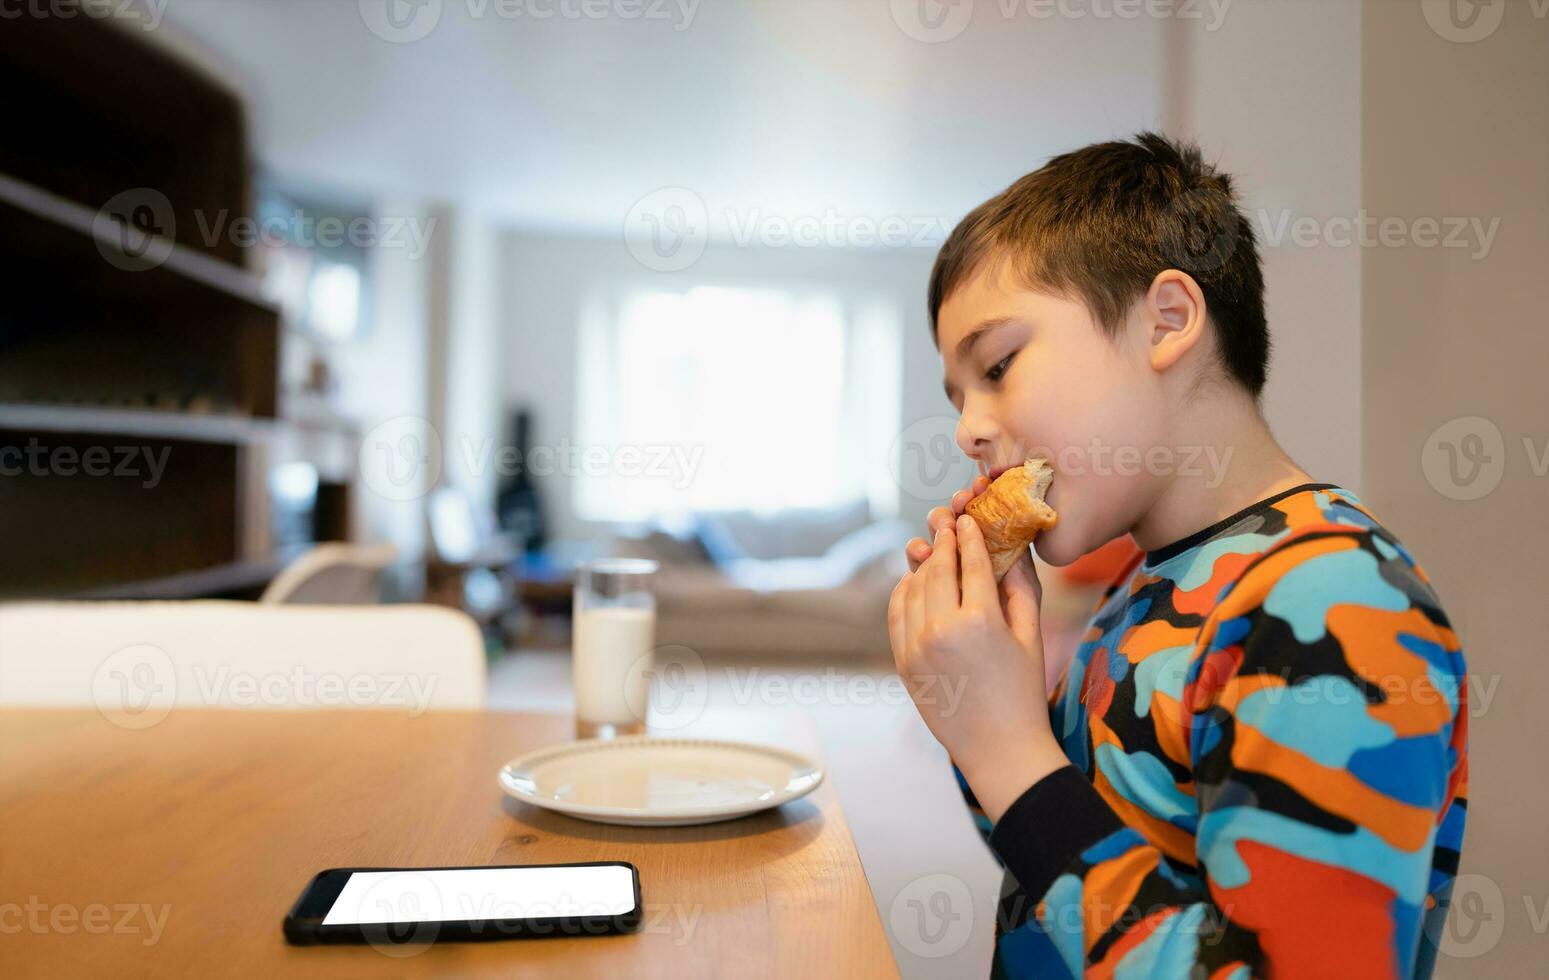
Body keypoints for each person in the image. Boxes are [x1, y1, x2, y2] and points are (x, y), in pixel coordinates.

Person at [889, 133, 1468, 978]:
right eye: (958, 395)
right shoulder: (1146, 580)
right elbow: (1040, 843)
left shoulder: (1327, 596)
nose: (967, 427)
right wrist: (983, 706)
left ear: (1166, 322)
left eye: (997, 365)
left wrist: (1011, 755)